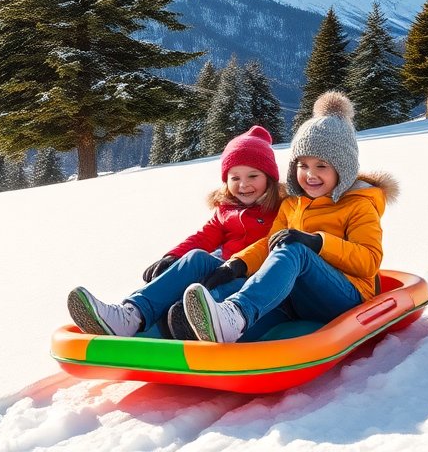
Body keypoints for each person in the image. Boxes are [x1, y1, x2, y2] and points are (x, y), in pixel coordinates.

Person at [183, 91, 397, 343]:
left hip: (348, 298)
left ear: (343, 168)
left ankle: (238, 314)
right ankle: (192, 328)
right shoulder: (291, 204)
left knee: (295, 249)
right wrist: (238, 264)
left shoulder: (359, 205)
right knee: (228, 286)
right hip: (300, 298)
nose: (310, 175)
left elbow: (369, 262)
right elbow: (270, 244)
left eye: (321, 166)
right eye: (302, 165)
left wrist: (318, 243)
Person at [66, 125, 283, 339]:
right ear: (225, 181)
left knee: (227, 285)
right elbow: (205, 236)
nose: (243, 184)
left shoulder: (282, 209)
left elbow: (272, 245)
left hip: (258, 279)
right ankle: (132, 315)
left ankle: (200, 320)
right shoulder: (226, 210)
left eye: (253, 176)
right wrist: (173, 257)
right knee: (195, 258)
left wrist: (236, 264)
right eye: (235, 178)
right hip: (222, 268)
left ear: (270, 178)